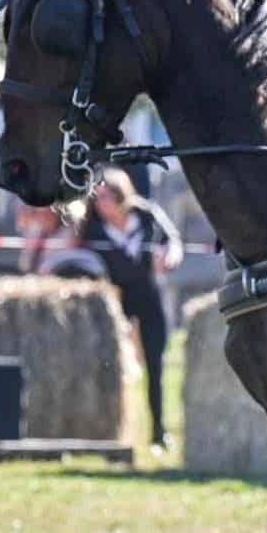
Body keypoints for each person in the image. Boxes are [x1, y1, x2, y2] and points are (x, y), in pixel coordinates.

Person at [79, 169, 182, 450]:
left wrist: (169, 257)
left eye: (107, 197)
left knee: (155, 363)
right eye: (97, 198)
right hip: (115, 300)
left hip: (148, 294)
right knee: (110, 363)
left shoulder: (146, 214)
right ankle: (110, 431)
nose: (101, 204)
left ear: (121, 196)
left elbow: (173, 241)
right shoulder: (92, 227)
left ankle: (158, 433)